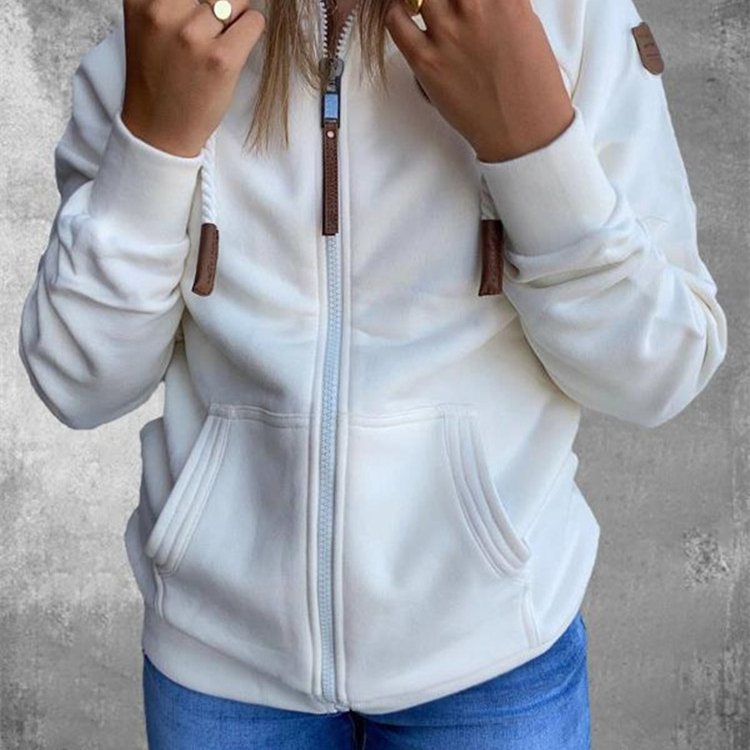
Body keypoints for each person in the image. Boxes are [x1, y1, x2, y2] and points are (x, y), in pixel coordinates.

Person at [17, 0, 728, 747]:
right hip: (219, 665)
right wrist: (154, 147)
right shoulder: (172, 24)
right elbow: (79, 382)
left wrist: (532, 148)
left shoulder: (569, 18)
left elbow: (658, 370)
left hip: (493, 659)